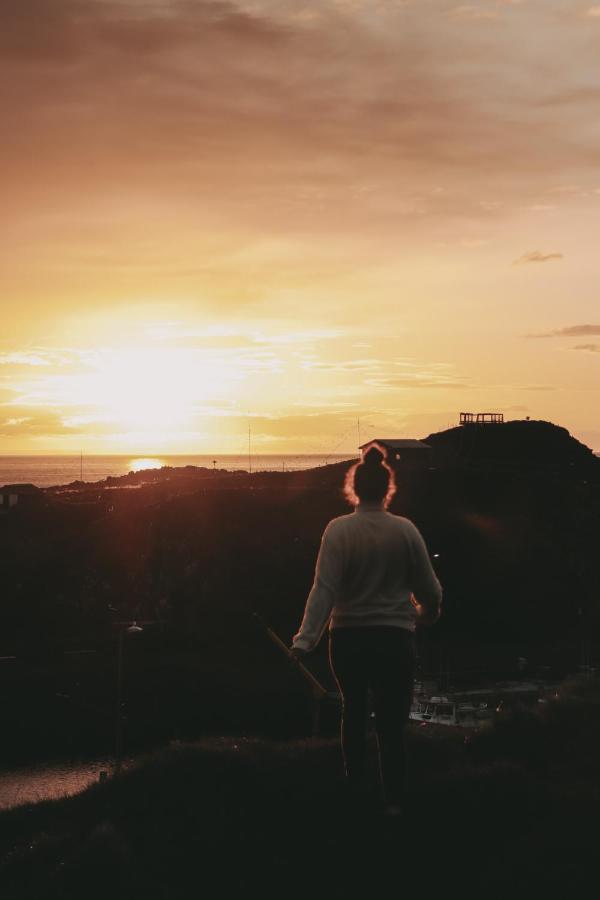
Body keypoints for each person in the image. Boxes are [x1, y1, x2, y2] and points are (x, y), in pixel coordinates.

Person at [289, 444, 442, 815]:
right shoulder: (405, 530)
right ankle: (393, 801)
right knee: (391, 723)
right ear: (387, 489)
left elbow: (323, 589)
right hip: (395, 637)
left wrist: (305, 640)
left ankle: (355, 790)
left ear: (354, 488)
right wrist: (424, 616)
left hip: (348, 638)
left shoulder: (338, 530)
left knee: (353, 712)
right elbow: (430, 590)